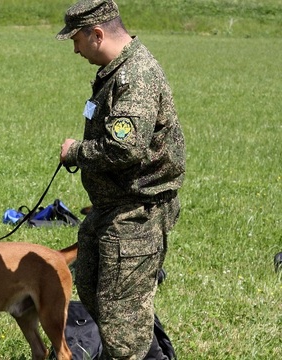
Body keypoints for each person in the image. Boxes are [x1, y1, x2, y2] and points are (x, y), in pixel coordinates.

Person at [57, 0, 186, 359]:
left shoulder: (135, 76)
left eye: (76, 40)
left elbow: (125, 149)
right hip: (111, 209)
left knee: (122, 329)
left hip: (134, 215)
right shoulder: (116, 70)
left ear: (96, 34)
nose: (74, 49)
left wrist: (76, 152)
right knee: (99, 294)